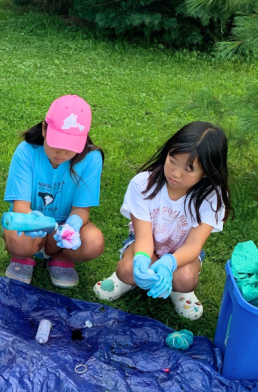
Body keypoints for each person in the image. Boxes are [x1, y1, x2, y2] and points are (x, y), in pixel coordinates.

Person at [94, 122, 231, 320]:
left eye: (189, 169)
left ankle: (178, 290)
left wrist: (169, 263)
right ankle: (128, 281)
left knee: (186, 279)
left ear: (207, 172)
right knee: (126, 270)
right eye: (172, 160)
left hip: (182, 254)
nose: (175, 173)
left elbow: (194, 245)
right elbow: (143, 237)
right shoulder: (143, 184)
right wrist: (141, 260)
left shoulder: (212, 196)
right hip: (145, 246)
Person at [3, 95, 105, 287]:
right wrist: (38, 222)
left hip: (65, 224)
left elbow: (81, 210)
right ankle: (23, 257)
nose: (61, 154)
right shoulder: (26, 151)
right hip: (31, 222)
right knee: (20, 243)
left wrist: (73, 226)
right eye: (56, 144)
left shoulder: (91, 159)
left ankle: (62, 258)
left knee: (94, 243)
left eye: (70, 148)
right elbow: (20, 207)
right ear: (44, 129)